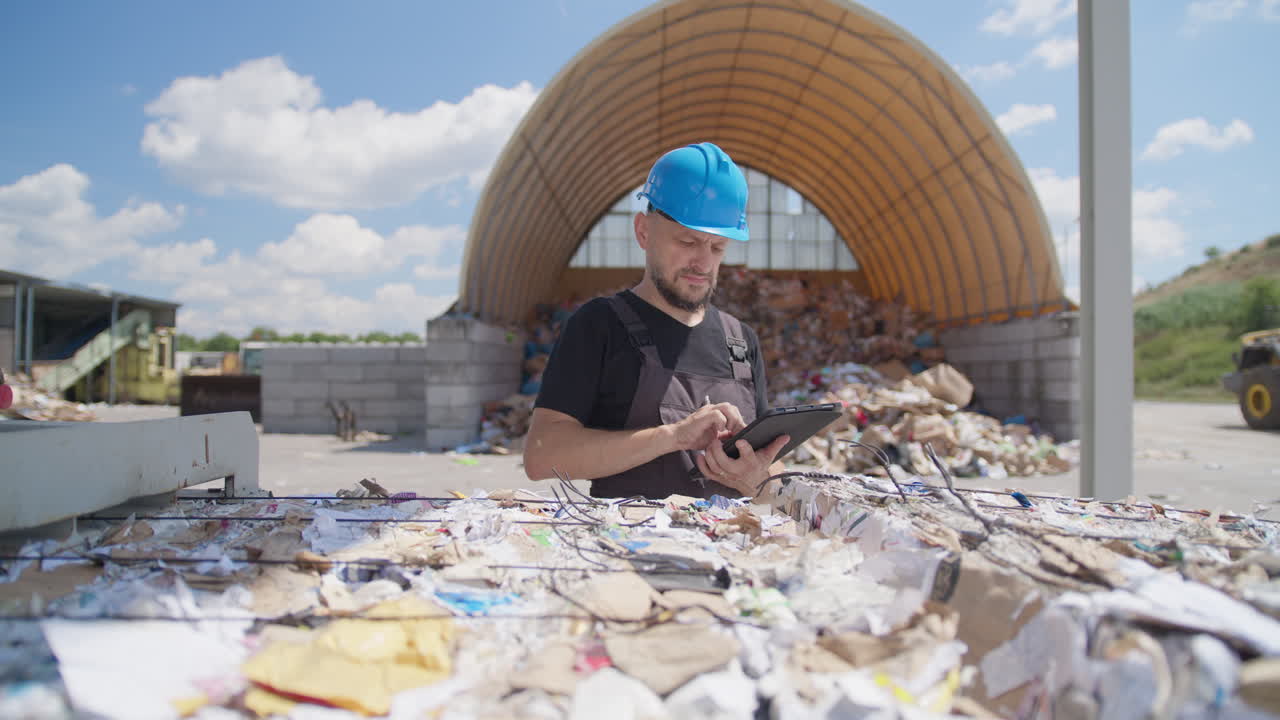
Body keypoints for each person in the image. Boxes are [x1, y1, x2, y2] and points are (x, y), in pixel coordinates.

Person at [523, 142, 788, 500]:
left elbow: (774, 478)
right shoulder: (598, 326)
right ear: (644, 231)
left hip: (727, 550)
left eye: (717, 247)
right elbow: (543, 456)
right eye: (688, 241)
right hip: (632, 549)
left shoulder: (739, 341)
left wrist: (756, 478)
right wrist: (674, 437)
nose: (703, 263)